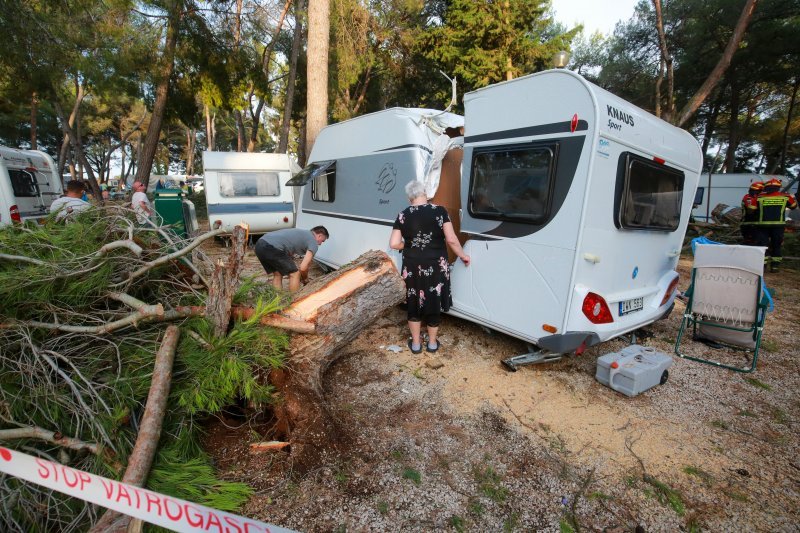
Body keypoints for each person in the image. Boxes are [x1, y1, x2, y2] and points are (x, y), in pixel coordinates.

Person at [390, 180, 470, 354]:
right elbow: (451, 239)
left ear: (409, 197)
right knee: (433, 300)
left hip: (412, 266)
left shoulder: (403, 214)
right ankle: (432, 344)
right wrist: (463, 256)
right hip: (435, 265)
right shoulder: (440, 211)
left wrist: (410, 245)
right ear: (425, 193)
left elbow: (394, 243)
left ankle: (417, 344)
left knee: (414, 302)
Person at [255, 226, 329, 292]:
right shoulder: (313, 242)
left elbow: (287, 250)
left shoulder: (302, 233)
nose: (320, 244)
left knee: (278, 274)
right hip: (272, 247)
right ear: (319, 236)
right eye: (322, 241)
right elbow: (303, 268)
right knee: (295, 274)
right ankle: (294, 302)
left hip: (259, 245)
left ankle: (276, 302)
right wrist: (305, 279)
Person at [754, 177, 798, 272]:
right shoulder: (785, 197)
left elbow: (753, 209)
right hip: (778, 226)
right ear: (778, 187)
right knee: (776, 245)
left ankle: (762, 266)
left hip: (762, 226)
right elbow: (794, 206)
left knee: (762, 246)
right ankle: (775, 267)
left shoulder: (760, 197)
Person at [740, 181, 764, 245]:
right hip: (750, 223)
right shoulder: (749, 198)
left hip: (753, 223)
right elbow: (750, 210)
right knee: (751, 242)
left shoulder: (752, 197)